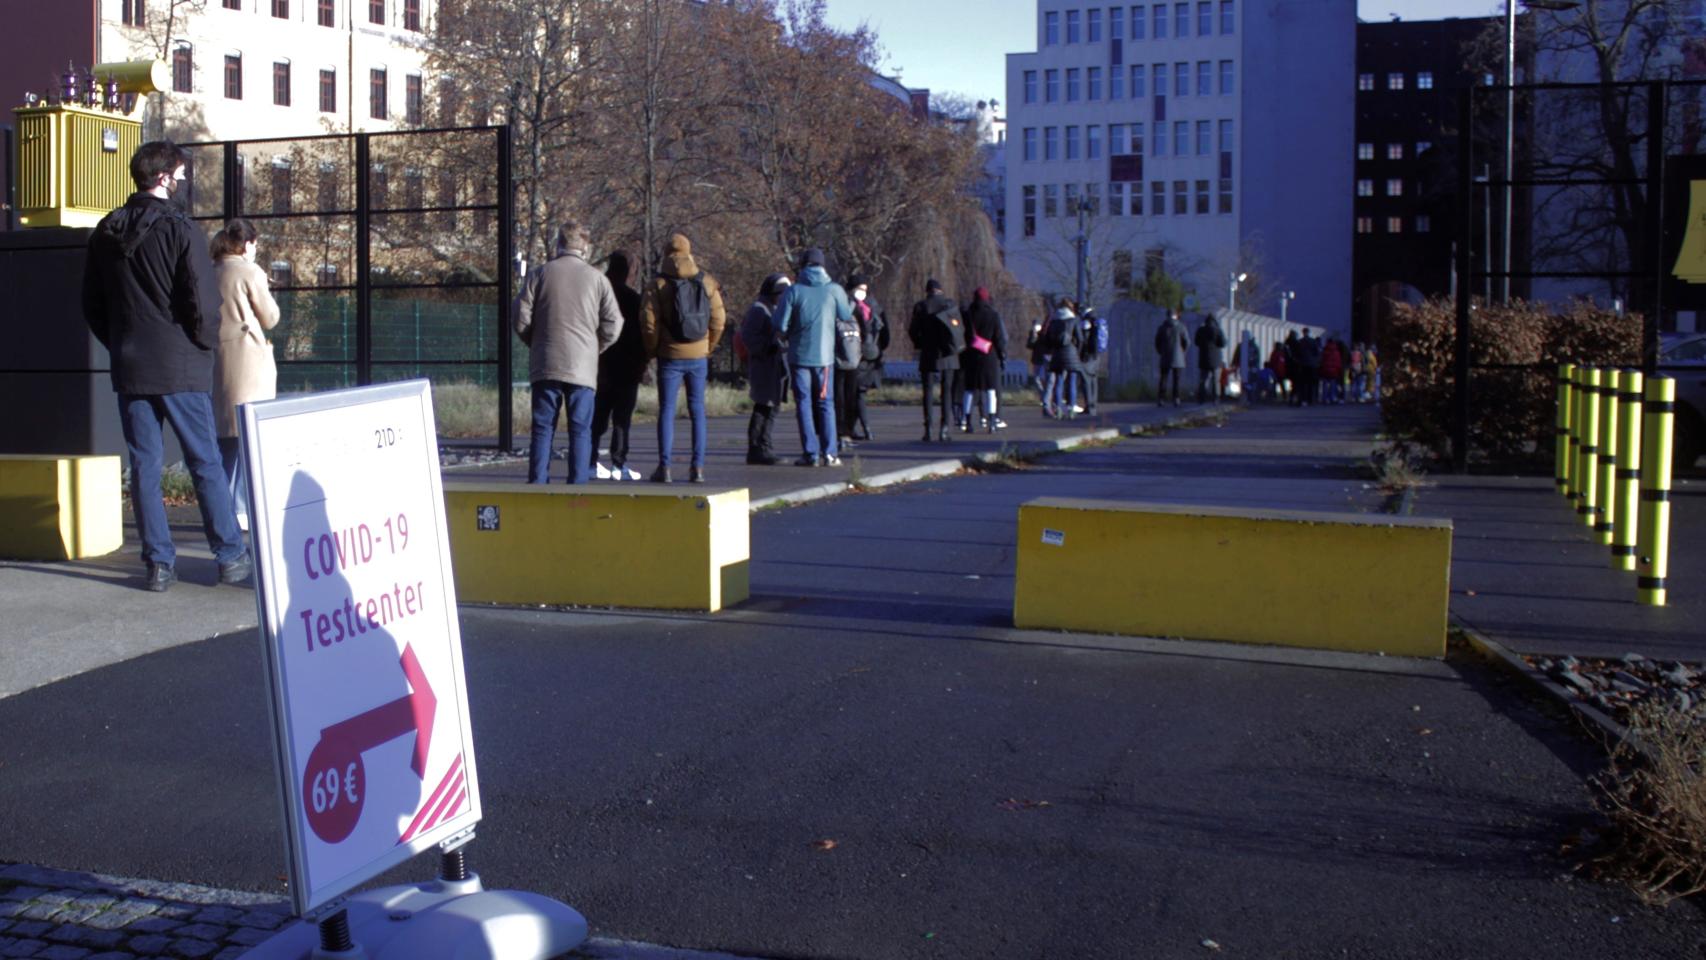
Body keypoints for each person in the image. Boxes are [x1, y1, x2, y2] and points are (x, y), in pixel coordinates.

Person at [82, 140, 249, 592]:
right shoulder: (182, 229)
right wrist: (201, 343)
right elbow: (201, 299)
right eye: (177, 173)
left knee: (144, 466)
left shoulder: (105, 231)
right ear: (163, 177)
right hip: (180, 363)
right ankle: (230, 556)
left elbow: (93, 304)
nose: (181, 180)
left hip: (131, 362)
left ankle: (158, 564)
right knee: (205, 462)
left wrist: (121, 342)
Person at [515, 220, 624, 485]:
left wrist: (537, 342)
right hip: (582, 366)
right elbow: (614, 323)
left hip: (546, 361)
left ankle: (538, 485)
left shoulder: (539, 274)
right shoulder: (597, 279)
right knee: (580, 430)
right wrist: (595, 347)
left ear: (559, 244)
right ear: (585, 246)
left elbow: (521, 317)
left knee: (542, 429)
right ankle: (577, 488)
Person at [210, 218, 280, 532]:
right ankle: (238, 509)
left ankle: (219, 509)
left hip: (217, 359)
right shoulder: (249, 272)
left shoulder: (210, 271)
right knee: (248, 439)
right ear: (247, 244)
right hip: (249, 361)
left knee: (226, 441)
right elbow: (271, 316)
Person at [642, 233, 726, 483]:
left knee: (667, 410)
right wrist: (708, 346)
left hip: (669, 354)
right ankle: (697, 468)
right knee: (697, 410)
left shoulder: (657, 285)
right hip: (698, 355)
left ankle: (664, 467)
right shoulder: (707, 282)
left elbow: (649, 323)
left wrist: (653, 349)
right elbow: (719, 320)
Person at [774, 247, 851, 466]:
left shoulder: (794, 291)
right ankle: (830, 453)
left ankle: (811, 453)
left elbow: (780, 324)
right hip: (825, 358)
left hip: (799, 357)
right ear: (822, 266)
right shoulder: (834, 290)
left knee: (804, 404)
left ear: (803, 266)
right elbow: (845, 315)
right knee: (826, 404)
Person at [591, 250, 647, 481]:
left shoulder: (598, 296)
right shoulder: (634, 300)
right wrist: (642, 363)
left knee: (598, 417)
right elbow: (644, 334)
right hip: (628, 367)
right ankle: (618, 462)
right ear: (628, 272)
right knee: (622, 420)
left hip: (602, 365)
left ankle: (590, 459)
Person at [742, 273, 791, 464]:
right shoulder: (759, 310)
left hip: (774, 366)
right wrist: (770, 346)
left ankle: (764, 445)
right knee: (763, 407)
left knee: (772, 408)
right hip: (764, 366)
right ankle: (758, 447)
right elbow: (749, 338)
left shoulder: (775, 309)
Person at [909, 278, 965, 441]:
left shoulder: (921, 306)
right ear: (940, 290)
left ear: (927, 291)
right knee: (947, 391)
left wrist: (920, 343)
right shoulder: (950, 305)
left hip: (928, 352)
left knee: (927, 391)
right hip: (949, 354)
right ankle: (945, 428)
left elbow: (912, 331)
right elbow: (960, 329)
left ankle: (928, 429)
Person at [961, 287, 1008, 433]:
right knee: (990, 390)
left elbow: (962, 336)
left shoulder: (966, 315)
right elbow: (999, 338)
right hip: (989, 356)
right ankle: (992, 421)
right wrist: (1002, 355)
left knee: (969, 390)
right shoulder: (993, 315)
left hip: (971, 356)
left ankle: (968, 421)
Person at [834, 273, 872, 447]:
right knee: (850, 396)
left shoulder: (837, 305)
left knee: (840, 396)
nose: (862, 293)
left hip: (838, 357)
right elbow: (865, 332)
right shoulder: (859, 309)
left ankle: (841, 431)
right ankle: (847, 431)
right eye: (860, 289)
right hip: (854, 358)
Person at [848, 274, 888, 442]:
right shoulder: (874, 306)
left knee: (855, 393)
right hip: (871, 355)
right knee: (858, 393)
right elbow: (886, 333)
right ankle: (860, 428)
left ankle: (861, 428)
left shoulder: (849, 306)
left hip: (856, 354)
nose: (862, 292)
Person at [1047, 299, 1088, 418]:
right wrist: (1078, 352)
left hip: (1057, 354)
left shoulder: (1054, 320)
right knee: (1072, 381)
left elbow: (1048, 338)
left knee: (1059, 381)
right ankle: (1071, 408)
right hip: (1071, 353)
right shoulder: (1073, 320)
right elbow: (1080, 339)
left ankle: (1058, 408)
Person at [1154, 310, 1188, 407]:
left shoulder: (1162, 328)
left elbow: (1157, 342)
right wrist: (1182, 352)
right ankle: (1176, 398)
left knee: (1163, 378)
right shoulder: (1181, 327)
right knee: (1176, 380)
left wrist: (1161, 351)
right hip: (1178, 358)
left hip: (1165, 356)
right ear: (1176, 316)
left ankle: (1161, 399)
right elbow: (1187, 342)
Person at [1195, 312, 1228, 404]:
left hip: (1203, 358)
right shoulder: (1218, 330)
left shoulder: (1201, 330)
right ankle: (1215, 398)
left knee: (1203, 379)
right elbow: (1223, 343)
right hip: (1215, 359)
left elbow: (1196, 342)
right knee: (1215, 380)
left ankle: (1202, 398)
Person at [1077, 307, 1104, 415]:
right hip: (1097, 355)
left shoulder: (1086, 322)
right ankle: (1094, 405)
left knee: (1086, 381)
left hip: (1088, 356)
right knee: (1093, 381)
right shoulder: (1096, 320)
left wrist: (1081, 354)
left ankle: (1089, 406)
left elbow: (1083, 340)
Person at [1025, 304, 1053, 405]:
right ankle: (1043, 396)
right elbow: (1029, 345)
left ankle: (1047, 398)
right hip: (1037, 358)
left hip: (1044, 357)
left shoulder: (1045, 332)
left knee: (1046, 379)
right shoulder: (1033, 333)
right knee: (1037, 378)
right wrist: (1033, 335)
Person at [1319, 336, 1344, 404]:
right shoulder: (1336, 352)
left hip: (1325, 370)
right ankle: (1332, 397)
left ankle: (1325, 398)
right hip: (1334, 371)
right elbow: (1338, 362)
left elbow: (1321, 361)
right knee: (1333, 385)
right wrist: (1338, 370)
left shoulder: (1324, 350)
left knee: (1325, 385)